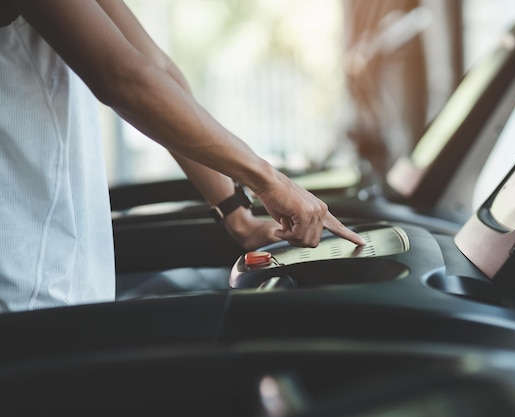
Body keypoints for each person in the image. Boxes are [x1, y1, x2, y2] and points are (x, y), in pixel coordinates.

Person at [0, 0, 365, 312]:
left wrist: (237, 214)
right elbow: (124, 79)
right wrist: (270, 181)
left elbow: (156, 69)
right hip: (24, 288)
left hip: (63, 278)